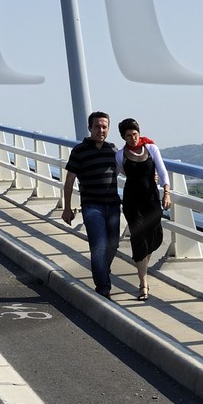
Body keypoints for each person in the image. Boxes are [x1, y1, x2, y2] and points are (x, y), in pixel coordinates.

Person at [61, 111, 121, 295]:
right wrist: (67, 208)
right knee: (99, 246)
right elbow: (69, 181)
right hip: (92, 206)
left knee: (113, 245)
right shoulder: (79, 151)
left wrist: (152, 174)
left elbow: (129, 169)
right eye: (97, 126)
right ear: (90, 128)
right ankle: (103, 287)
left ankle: (102, 270)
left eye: (104, 127)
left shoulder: (112, 150)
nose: (101, 130)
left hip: (113, 205)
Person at [116, 117, 171, 301]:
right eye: (128, 136)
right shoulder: (121, 155)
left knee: (155, 237)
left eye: (135, 134)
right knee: (138, 238)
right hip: (132, 202)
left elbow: (162, 171)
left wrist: (166, 192)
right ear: (123, 137)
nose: (133, 138)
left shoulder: (151, 148)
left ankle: (142, 269)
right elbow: (115, 173)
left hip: (152, 200)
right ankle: (143, 283)